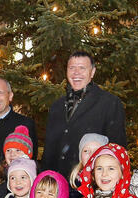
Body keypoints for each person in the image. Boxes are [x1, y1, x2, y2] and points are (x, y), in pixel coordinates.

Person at [42, 51, 127, 181]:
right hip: (58, 185)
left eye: (82, 68)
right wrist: (45, 179)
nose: (76, 72)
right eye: (72, 68)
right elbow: (49, 149)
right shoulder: (57, 106)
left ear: (92, 72)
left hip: (91, 184)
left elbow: (117, 149)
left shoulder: (109, 103)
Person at [65, 133, 109, 198]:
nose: (91, 155)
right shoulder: (71, 187)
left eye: (97, 151)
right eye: (86, 151)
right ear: (80, 156)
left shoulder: (111, 184)